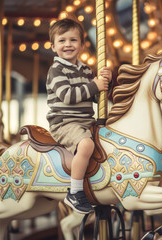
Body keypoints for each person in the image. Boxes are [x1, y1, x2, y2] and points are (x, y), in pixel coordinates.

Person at [46, 18, 111, 214]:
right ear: (53, 46)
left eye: (73, 40)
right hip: (64, 123)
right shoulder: (56, 70)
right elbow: (67, 96)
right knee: (86, 145)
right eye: (62, 40)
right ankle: (74, 192)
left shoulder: (85, 70)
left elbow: (93, 96)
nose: (68, 44)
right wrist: (94, 85)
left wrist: (105, 82)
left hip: (85, 122)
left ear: (82, 45)